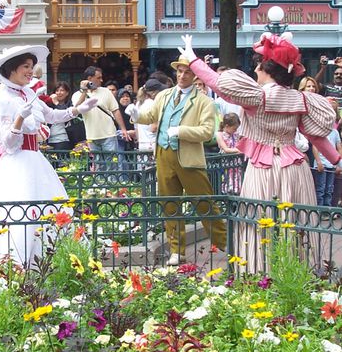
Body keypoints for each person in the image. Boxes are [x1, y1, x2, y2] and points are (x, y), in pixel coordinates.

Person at [179, 33, 342, 270]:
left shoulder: (257, 97)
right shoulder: (302, 99)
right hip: (294, 167)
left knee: (258, 220)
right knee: (294, 221)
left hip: (263, 168)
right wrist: (337, 160)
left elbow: (217, 83)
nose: (255, 69)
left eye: (259, 64)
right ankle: (297, 270)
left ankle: (258, 272)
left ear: (268, 69)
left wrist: (193, 59)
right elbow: (316, 136)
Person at [0, 45, 97, 267]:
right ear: (11, 69)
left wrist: (78, 110)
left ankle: (50, 261)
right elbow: (8, 143)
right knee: (18, 213)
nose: (30, 71)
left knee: (45, 210)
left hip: (36, 161)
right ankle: (13, 264)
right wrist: (19, 121)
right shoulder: (1, 97)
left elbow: (51, 115)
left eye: (32, 67)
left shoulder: (28, 92)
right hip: (16, 163)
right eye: (26, 67)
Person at [130, 54, 227, 266]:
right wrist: (136, 115)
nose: (182, 75)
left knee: (204, 202)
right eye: (180, 71)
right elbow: (152, 117)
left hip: (189, 159)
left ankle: (223, 243)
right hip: (164, 154)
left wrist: (181, 131)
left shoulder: (204, 101)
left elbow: (208, 132)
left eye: (188, 72)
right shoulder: (164, 95)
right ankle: (177, 251)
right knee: (169, 204)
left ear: (195, 75)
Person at [72, 66, 130, 169]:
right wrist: (84, 91)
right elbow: (76, 109)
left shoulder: (105, 91)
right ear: (90, 78)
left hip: (109, 134)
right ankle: (99, 185)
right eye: (98, 78)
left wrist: (123, 129)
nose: (101, 80)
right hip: (92, 136)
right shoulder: (77, 94)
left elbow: (115, 110)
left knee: (113, 166)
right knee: (98, 166)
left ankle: (113, 185)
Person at [311, 97, 342, 207]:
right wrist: (318, 162)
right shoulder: (319, 129)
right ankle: (319, 210)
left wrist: (339, 164)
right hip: (321, 165)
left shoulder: (335, 132)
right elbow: (315, 146)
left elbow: (339, 148)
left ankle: (327, 210)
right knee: (320, 189)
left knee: (329, 189)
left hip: (332, 165)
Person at [216, 112, 243, 194]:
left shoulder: (235, 134)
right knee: (228, 179)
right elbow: (226, 149)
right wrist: (239, 150)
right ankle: (229, 194)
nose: (235, 130)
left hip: (237, 162)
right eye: (234, 129)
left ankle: (237, 194)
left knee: (238, 179)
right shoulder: (219, 134)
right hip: (227, 162)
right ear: (227, 126)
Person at [48, 81, 74, 152]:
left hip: (63, 139)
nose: (59, 93)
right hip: (49, 140)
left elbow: (65, 115)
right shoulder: (49, 105)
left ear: (67, 93)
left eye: (62, 90)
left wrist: (56, 103)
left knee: (62, 162)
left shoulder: (70, 105)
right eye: (57, 90)